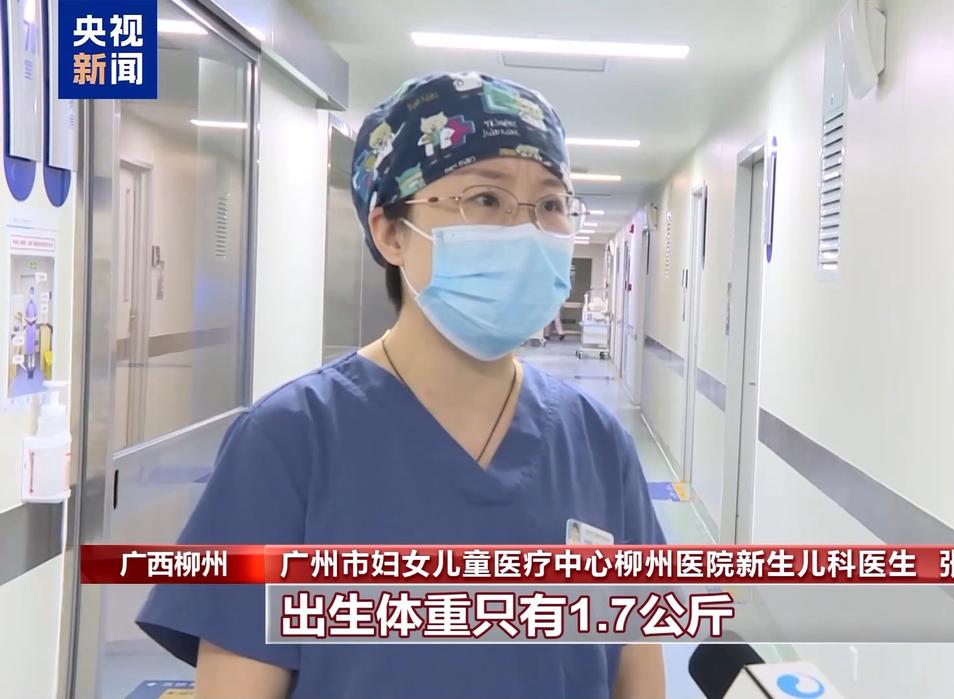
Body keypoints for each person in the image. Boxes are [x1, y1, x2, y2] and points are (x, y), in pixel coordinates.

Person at [136, 72, 667, 699]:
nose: (527, 231)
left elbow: (637, 671)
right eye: (486, 199)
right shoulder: (291, 441)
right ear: (390, 231)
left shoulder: (596, 443)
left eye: (550, 205)